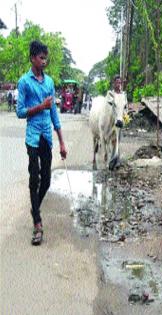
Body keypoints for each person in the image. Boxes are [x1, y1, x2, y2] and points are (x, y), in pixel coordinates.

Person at [16, 40, 67, 246]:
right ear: (32, 58)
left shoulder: (49, 83)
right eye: (41, 57)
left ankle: (34, 207)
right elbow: (20, 112)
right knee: (34, 177)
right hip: (32, 138)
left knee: (46, 180)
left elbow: (54, 113)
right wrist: (40, 106)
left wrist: (62, 142)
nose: (44, 61)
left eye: (46, 58)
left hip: (46, 137)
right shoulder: (24, 82)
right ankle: (37, 224)